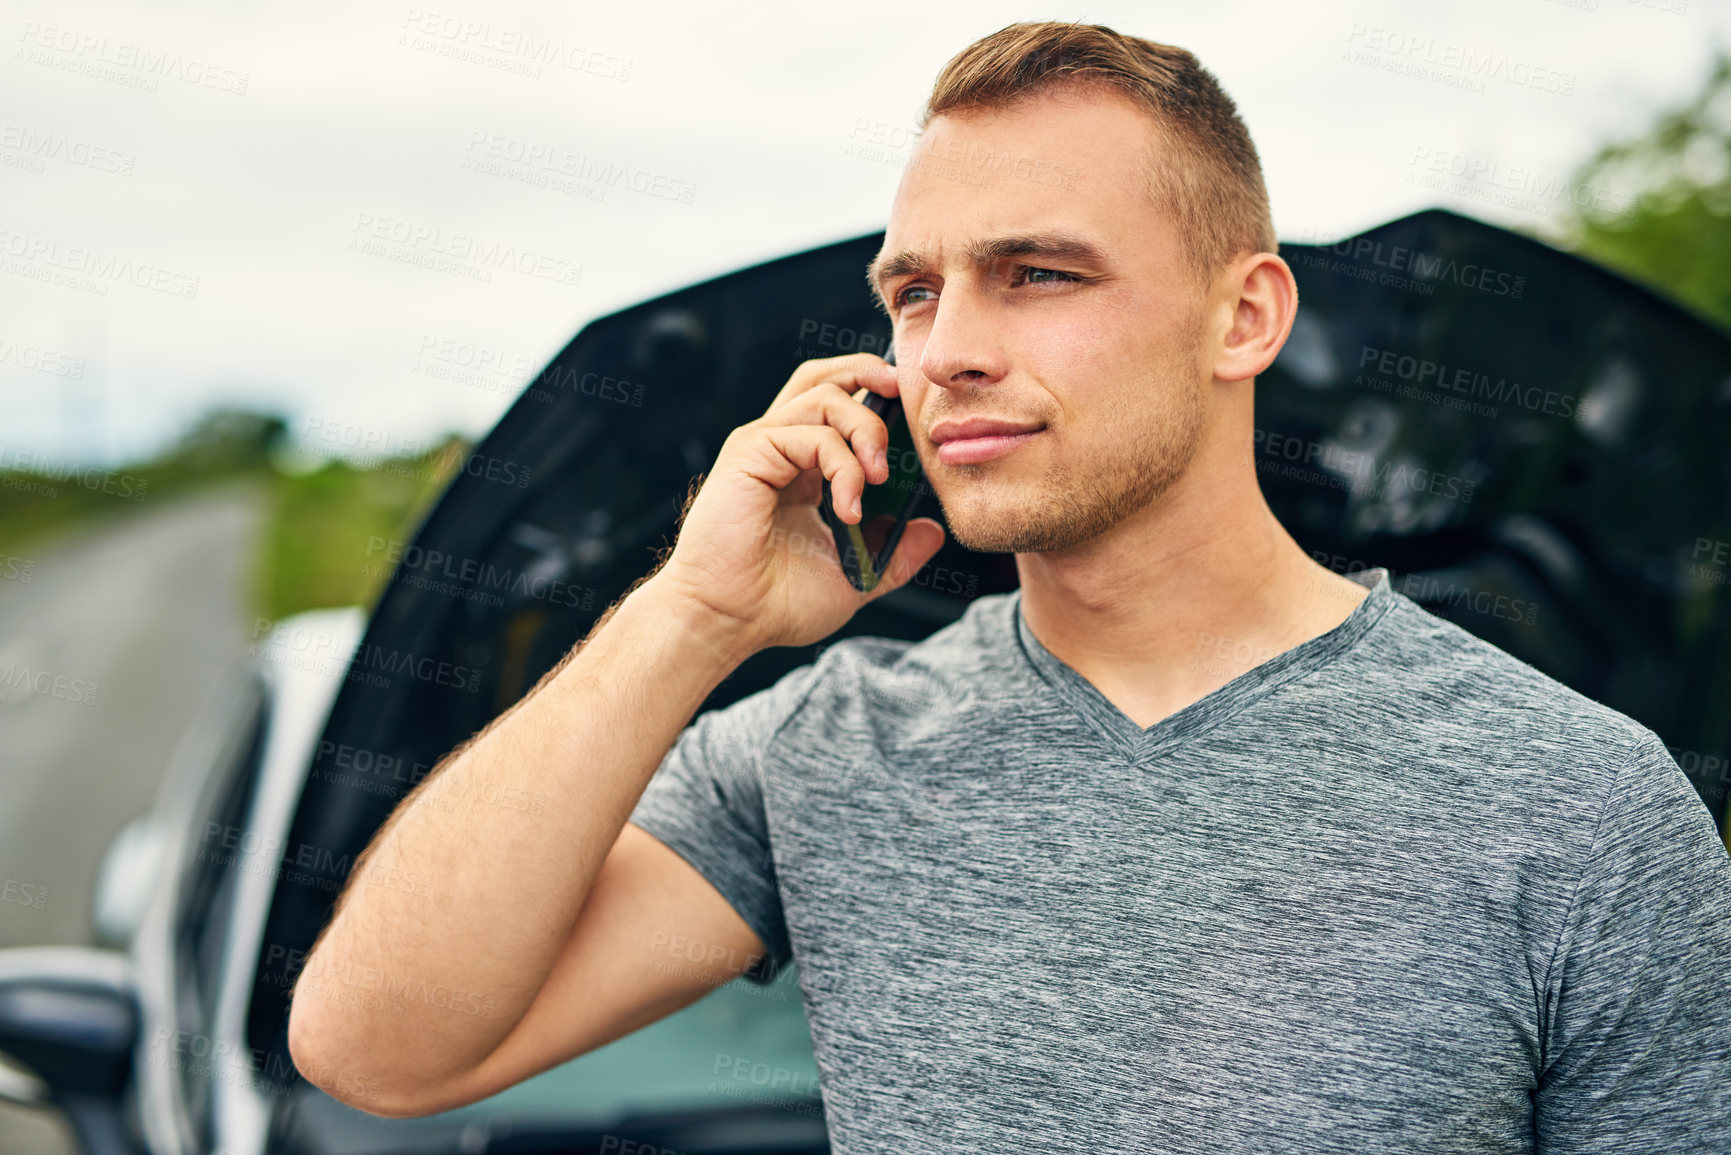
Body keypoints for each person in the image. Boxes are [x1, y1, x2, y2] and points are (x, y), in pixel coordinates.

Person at [288, 20, 1731, 1152]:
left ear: (1245, 316)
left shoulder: (1577, 804)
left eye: (1036, 274)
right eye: (914, 290)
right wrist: (692, 613)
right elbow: (382, 1049)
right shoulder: (827, 746)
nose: (947, 351)